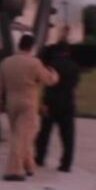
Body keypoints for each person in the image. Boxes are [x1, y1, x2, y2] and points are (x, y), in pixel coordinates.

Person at [0, 34, 58, 181]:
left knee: (20, 134)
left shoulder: (6, 62)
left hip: (11, 102)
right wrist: (54, 74)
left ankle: (29, 166)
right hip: (28, 103)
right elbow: (48, 80)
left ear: (19, 45)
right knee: (22, 137)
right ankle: (13, 170)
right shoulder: (34, 63)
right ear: (32, 47)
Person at [35, 40, 81, 172]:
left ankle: (40, 157)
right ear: (68, 52)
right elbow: (75, 84)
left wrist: (44, 102)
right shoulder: (74, 67)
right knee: (68, 136)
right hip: (67, 103)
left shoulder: (51, 65)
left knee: (44, 133)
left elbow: (48, 86)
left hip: (51, 103)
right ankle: (66, 163)